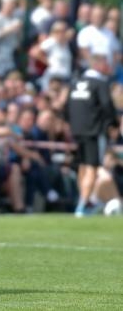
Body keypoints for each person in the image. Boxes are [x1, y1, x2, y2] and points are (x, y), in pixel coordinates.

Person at [66, 54, 118, 217]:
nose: (108, 66)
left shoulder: (75, 84)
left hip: (77, 131)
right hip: (93, 131)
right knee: (92, 168)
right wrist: (113, 124)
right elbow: (107, 106)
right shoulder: (100, 84)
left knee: (82, 166)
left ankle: (84, 201)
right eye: (106, 63)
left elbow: (67, 107)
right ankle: (82, 206)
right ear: (98, 64)